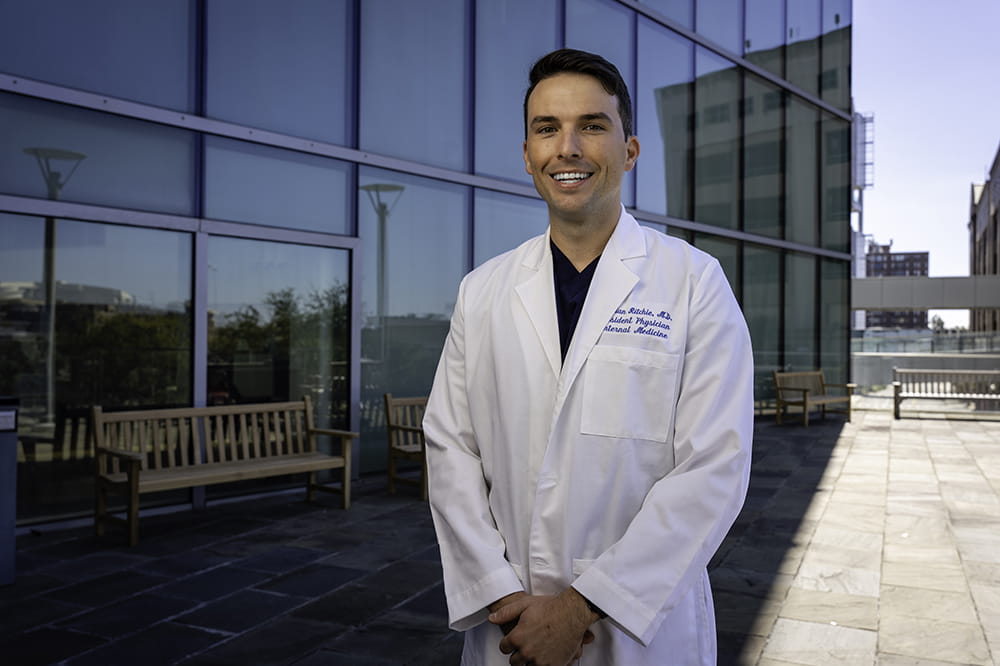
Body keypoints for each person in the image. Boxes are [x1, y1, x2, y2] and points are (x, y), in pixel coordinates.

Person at [423, 48, 754, 665]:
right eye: (546, 129)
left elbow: (714, 467)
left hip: (637, 632)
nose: (567, 147)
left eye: (592, 126)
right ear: (527, 156)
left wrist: (581, 606)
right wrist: (500, 594)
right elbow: (450, 449)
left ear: (629, 150)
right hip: (508, 626)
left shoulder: (693, 282)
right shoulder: (483, 290)